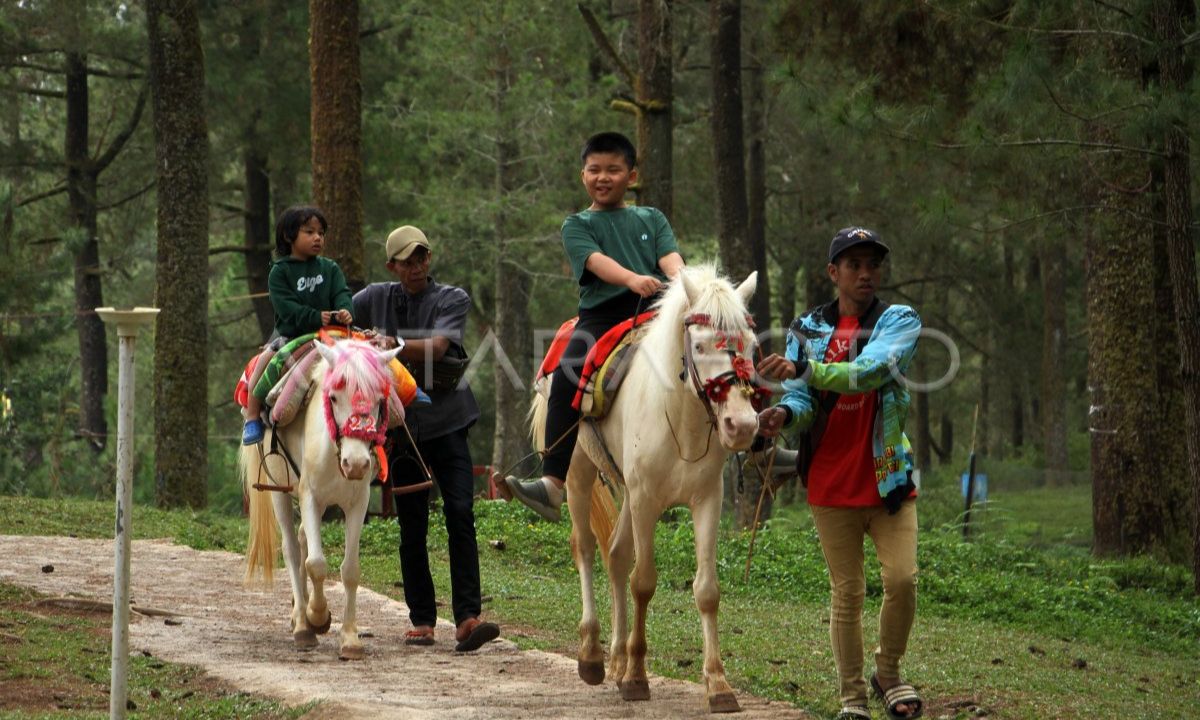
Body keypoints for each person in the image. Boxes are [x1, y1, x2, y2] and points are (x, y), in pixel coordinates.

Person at [756, 227, 924, 720]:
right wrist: (783, 416)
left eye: (872, 263)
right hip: (831, 479)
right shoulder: (805, 328)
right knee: (847, 593)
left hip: (888, 475)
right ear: (834, 273)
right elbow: (802, 400)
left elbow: (872, 371)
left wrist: (804, 371)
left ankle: (888, 673)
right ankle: (852, 697)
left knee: (902, 580)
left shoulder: (900, 319)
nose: (865, 272)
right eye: (853, 264)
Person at [503, 131, 684, 522]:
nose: (603, 177)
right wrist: (633, 279)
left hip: (656, 309)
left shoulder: (651, 217)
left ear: (631, 176)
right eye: (595, 170)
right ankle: (553, 482)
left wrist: (688, 283)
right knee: (567, 374)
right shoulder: (576, 224)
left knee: (719, 346)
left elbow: (670, 258)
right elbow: (597, 262)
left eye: (613, 170)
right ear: (583, 175)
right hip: (602, 317)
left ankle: (757, 445)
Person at [353, 225, 499, 653]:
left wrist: (392, 343)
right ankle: (421, 619)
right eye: (405, 261)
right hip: (400, 428)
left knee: (459, 512)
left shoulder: (452, 298)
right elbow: (342, 315)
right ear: (391, 266)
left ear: (428, 259)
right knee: (411, 523)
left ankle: (468, 617)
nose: (415, 267)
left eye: (421, 258)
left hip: (448, 420)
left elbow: (438, 347)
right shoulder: (372, 298)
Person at [242, 205, 353, 445]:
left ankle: (400, 390)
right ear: (288, 236)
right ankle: (252, 416)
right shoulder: (279, 272)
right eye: (309, 232)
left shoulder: (330, 268)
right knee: (265, 361)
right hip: (291, 337)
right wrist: (314, 316)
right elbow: (285, 307)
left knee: (367, 355)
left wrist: (345, 310)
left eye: (321, 233)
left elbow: (342, 293)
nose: (317, 238)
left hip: (332, 335)